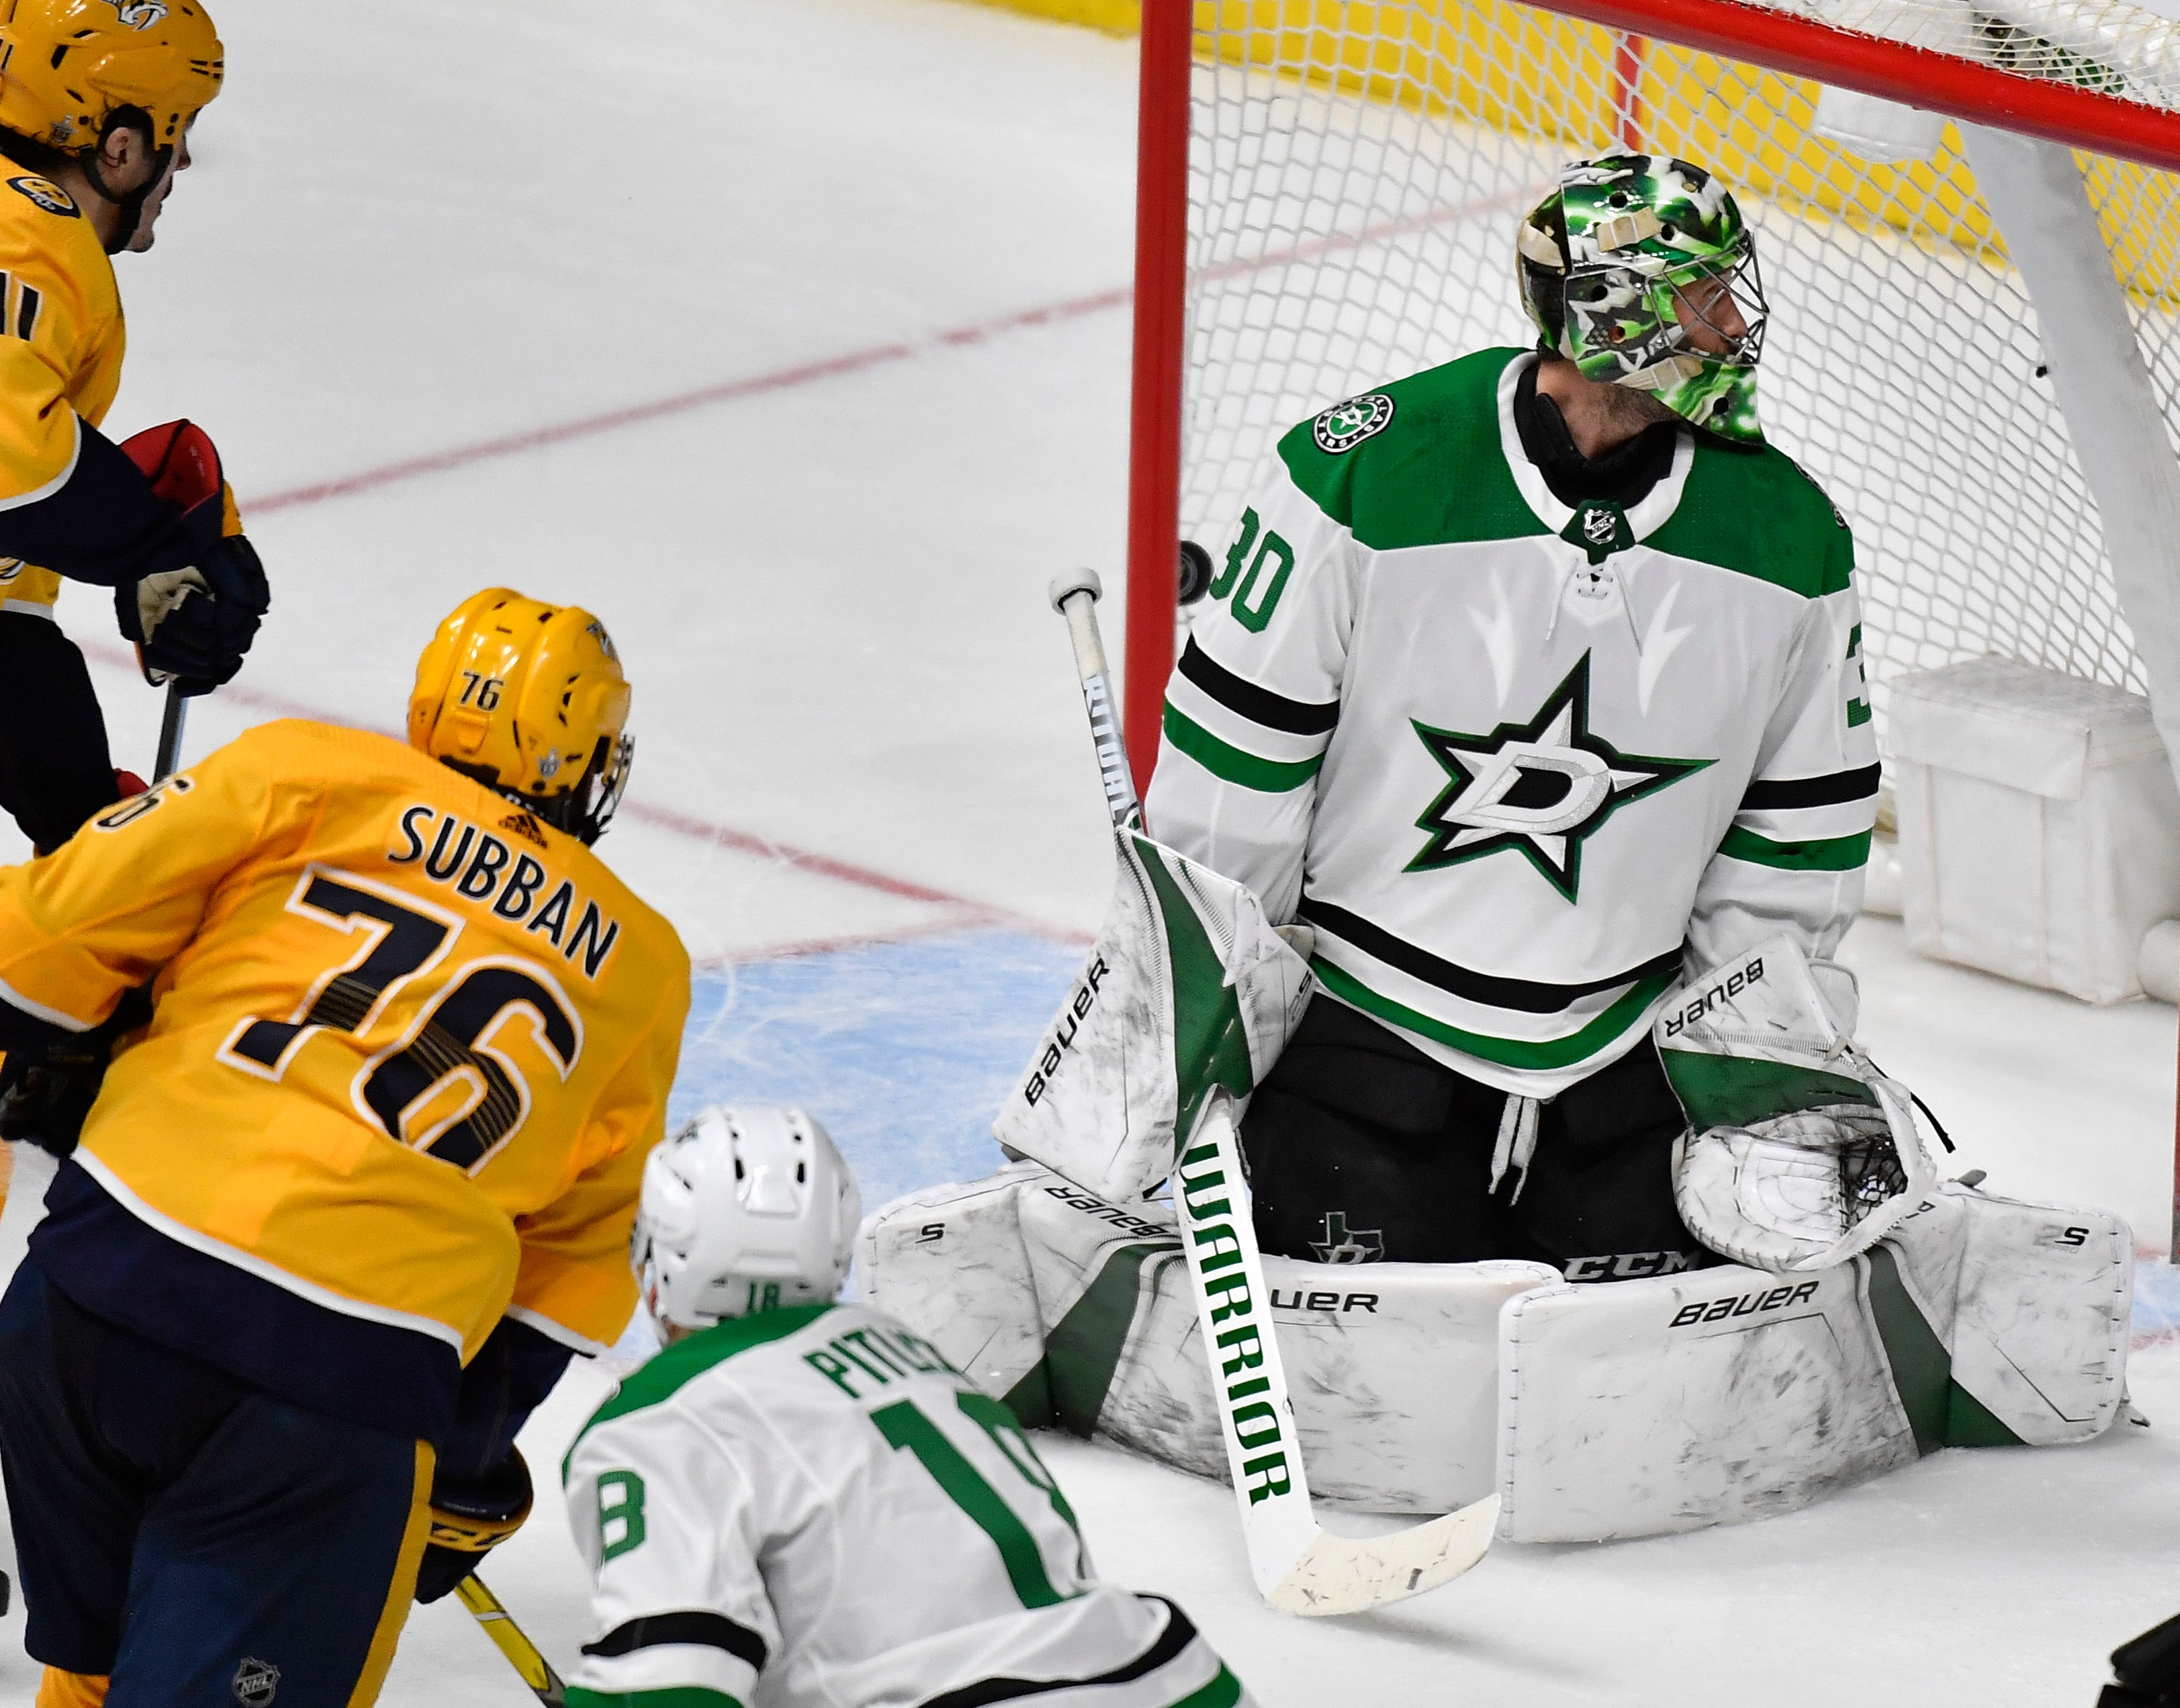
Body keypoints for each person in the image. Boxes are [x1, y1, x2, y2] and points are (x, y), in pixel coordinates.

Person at [1144, 151, 1876, 1282]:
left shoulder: (1789, 539)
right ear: (1610, 311)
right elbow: (1231, 780)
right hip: (1361, 1043)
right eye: (1701, 293)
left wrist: (1753, 1076)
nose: (1734, 321)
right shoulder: (1363, 477)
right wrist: (1198, 1036)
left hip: (1626, 1070)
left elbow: (1796, 839)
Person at [0, 587, 688, 1708]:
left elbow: (33, 943)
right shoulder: (642, 967)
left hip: (81, 1315)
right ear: (586, 754)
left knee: (109, 1659)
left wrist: (70, 1055)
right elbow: (572, 1266)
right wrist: (460, 1464)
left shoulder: (302, 770)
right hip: (325, 1392)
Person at [566, 1104, 1254, 1708]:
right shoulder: (903, 1349)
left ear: (657, 1263)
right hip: (1172, 1679)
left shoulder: (656, 1420)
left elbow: (668, 1683)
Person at [0, 0, 269, 852]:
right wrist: (160, 546)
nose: (183, 155)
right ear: (120, 147)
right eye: (175, 130)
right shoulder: (29, 232)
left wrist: (75, 801)